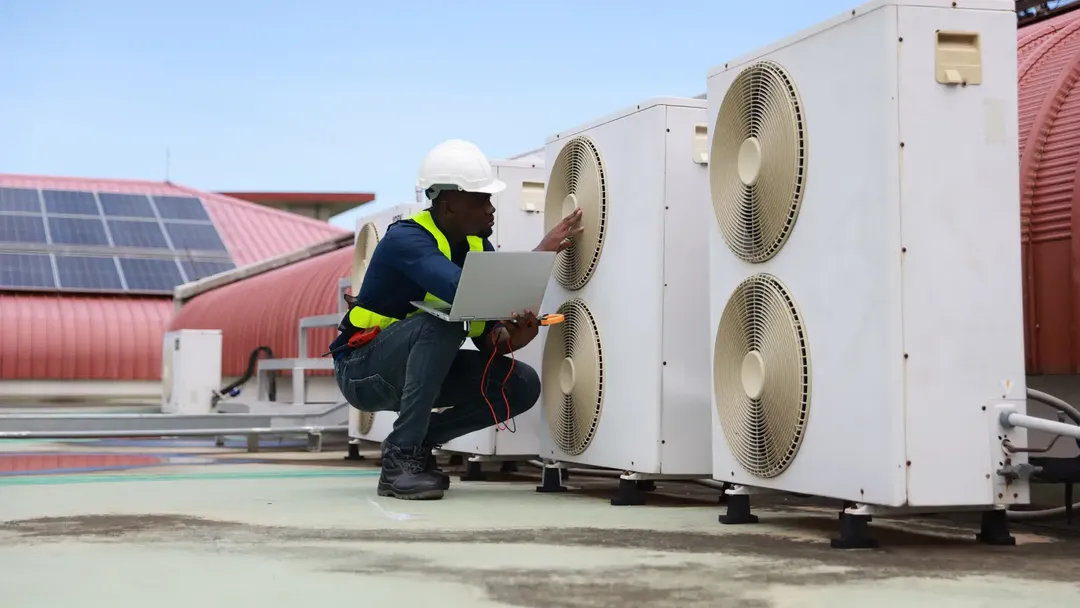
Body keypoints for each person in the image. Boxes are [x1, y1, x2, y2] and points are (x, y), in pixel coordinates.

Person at [329, 138, 584, 501]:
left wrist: (514, 337)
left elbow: (488, 338)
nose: (490, 209)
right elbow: (460, 293)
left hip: (414, 369)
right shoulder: (407, 240)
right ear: (447, 204)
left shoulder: (480, 247)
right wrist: (542, 252)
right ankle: (399, 460)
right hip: (361, 370)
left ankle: (415, 444)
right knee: (440, 323)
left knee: (521, 384)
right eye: (481, 200)